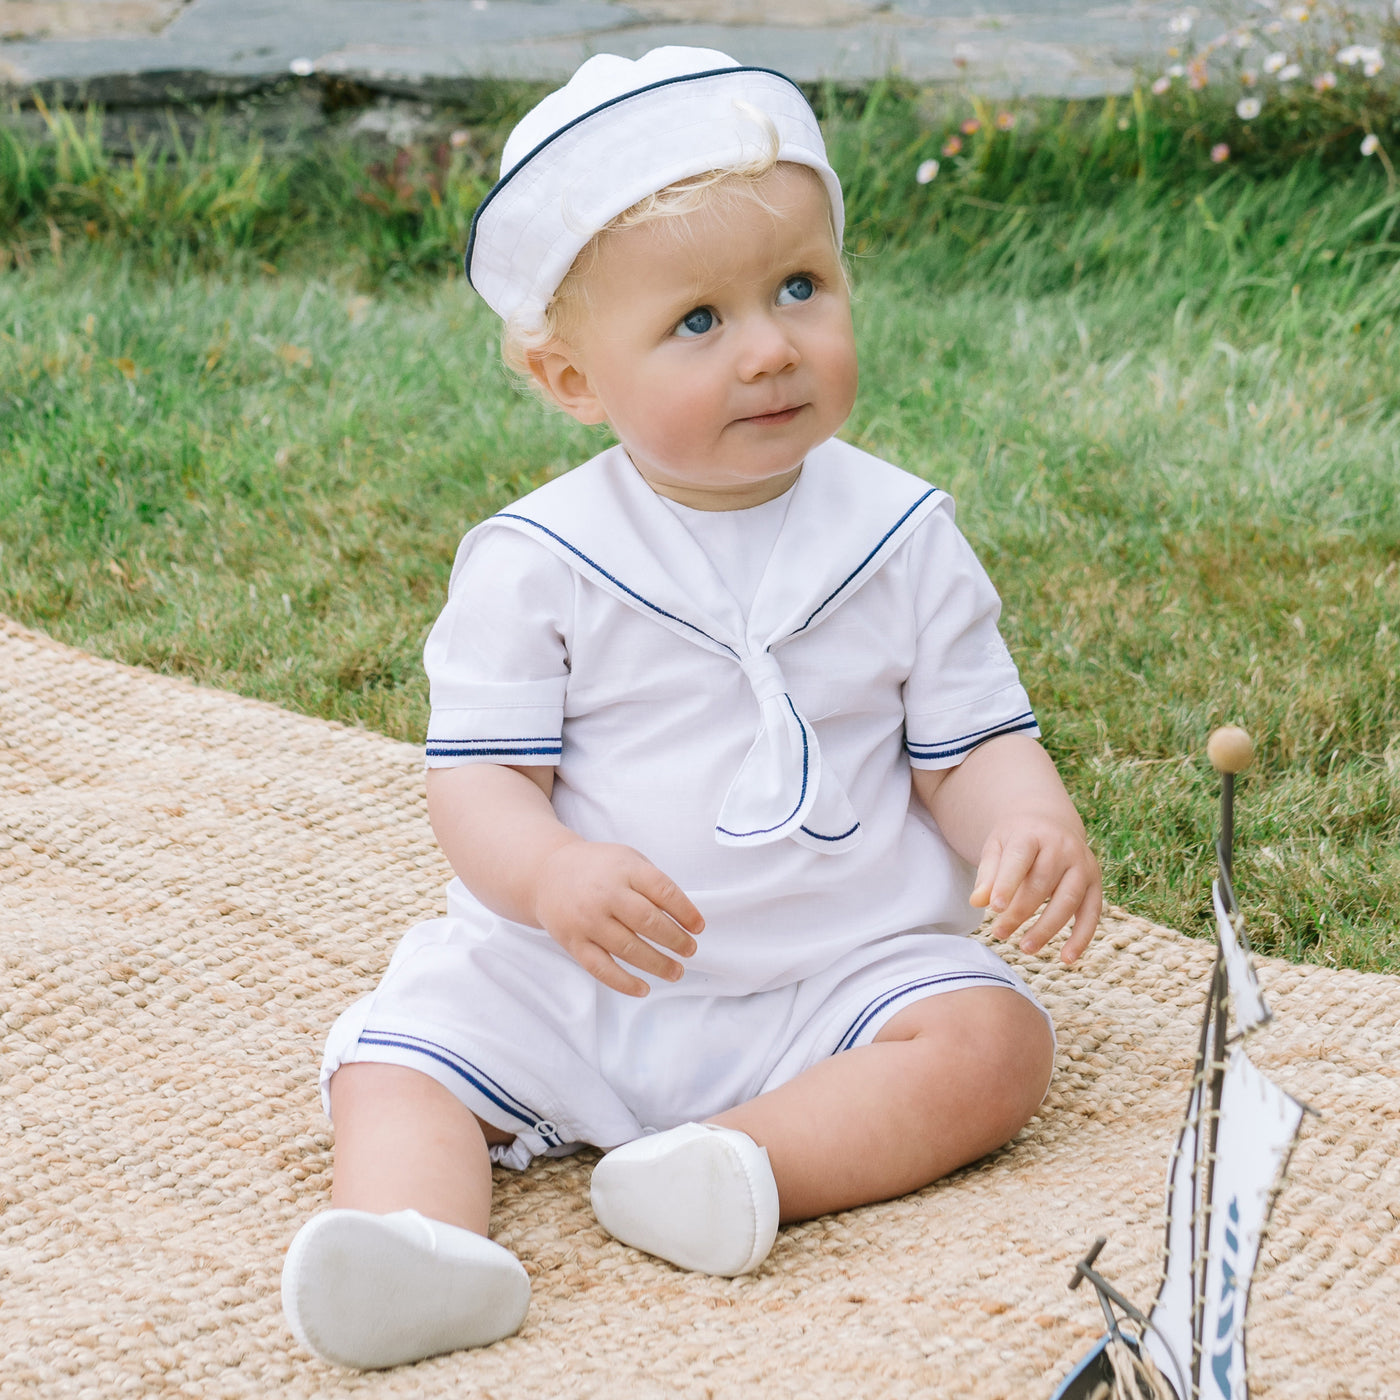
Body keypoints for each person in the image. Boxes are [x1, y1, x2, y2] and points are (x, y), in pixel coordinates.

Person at [280, 45, 1102, 1371]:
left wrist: (1029, 819)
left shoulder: (899, 533)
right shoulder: (537, 561)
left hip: (833, 973)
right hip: (575, 972)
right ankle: (417, 1247)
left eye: (801, 287)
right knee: (399, 1058)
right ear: (571, 380)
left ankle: (741, 1164)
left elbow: (973, 741)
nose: (772, 347)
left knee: (991, 1041)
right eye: (700, 322)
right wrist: (549, 878)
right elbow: (477, 784)